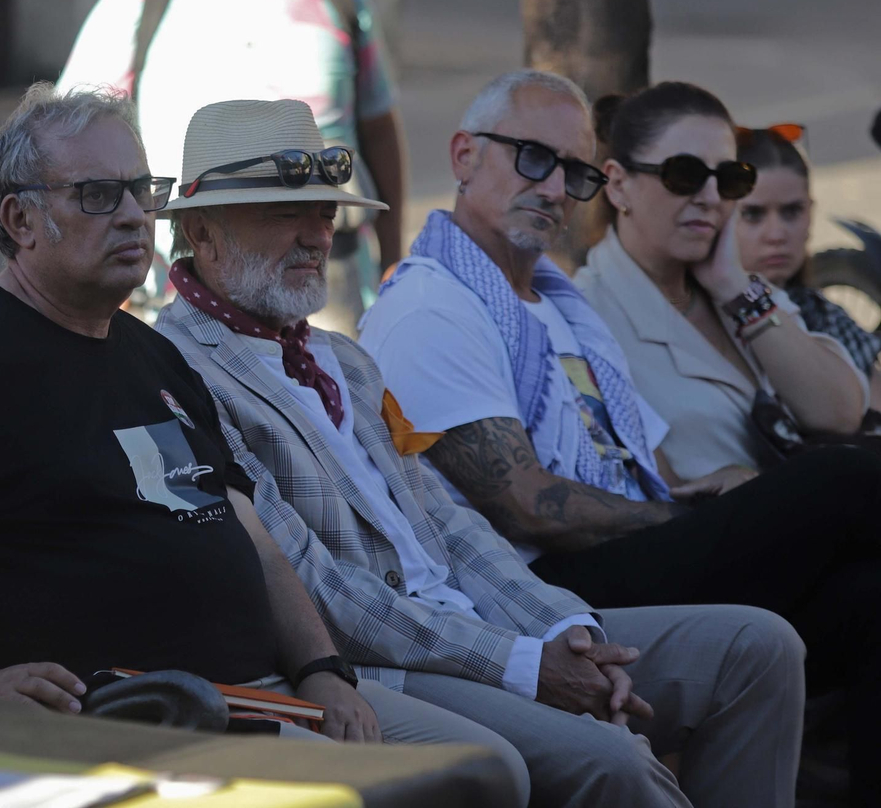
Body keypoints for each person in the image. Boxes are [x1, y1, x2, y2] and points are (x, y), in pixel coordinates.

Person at [0, 84, 532, 799]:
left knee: (493, 773)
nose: (136, 216)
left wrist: (321, 669)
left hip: (270, 694)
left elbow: (252, 539)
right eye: (99, 196)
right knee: (414, 790)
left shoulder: (147, 352)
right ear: (19, 220)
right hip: (144, 719)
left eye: (142, 190)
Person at [156, 97, 804, 808]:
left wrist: (566, 630)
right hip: (385, 661)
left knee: (759, 647)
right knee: (611, 760)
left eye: (325, 212)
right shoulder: (178, 369)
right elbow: (323, 591)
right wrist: (527, 663)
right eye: (286, 213)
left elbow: (452, 526)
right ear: (201, 232)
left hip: (479, 618)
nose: (316, 235)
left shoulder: (340, 355)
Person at [359, 69, 881, 807]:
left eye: (572, 171)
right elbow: (526, 507)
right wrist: (704, 521)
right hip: (537, 593)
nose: (552, 187)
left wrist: (721, 501)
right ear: (464, 156)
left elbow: (651, 466)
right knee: (845, 481)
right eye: (531, 158)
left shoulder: (560, 305)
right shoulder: (431, 306)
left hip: (623, 560)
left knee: (867, 599)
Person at [58, 0, 406, 320]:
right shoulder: (141, 0)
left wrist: (394, 258)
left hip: (325, 287)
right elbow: (72, 141)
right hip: (176, 292)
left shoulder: (342, 0)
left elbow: (379, 130)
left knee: (331, 401)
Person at [577, 83, 868, 472]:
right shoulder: (586, 315)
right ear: (617, 184)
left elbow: (838, 413)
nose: (711, 197)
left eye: (730, 178)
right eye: (684, 174)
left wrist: (735, 289)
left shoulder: (740, 288)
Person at [734, 124, 881, 412]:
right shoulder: (703, 317)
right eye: (753, 214)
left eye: (792, 211)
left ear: (811, 212)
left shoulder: (822, 314)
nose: (776, 234)